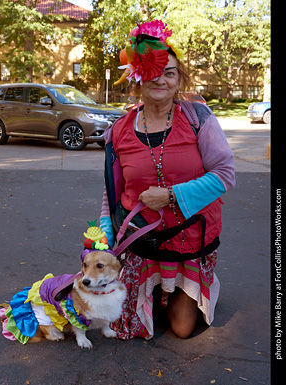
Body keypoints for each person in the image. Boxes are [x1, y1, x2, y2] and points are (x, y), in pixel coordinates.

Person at [100, 20, 235, 340]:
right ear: (137, 78)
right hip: (141, 243)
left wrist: (172, 195)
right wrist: (105, 233)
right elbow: (111, 190)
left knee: (182, 329)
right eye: (151, 70)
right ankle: (154, 289)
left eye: (170, 72)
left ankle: (189, 288)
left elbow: (225, 174)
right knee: (125, 327)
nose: (160, 78)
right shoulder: (119, 130)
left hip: (190, 238)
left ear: (178, 81)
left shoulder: (198, 117)